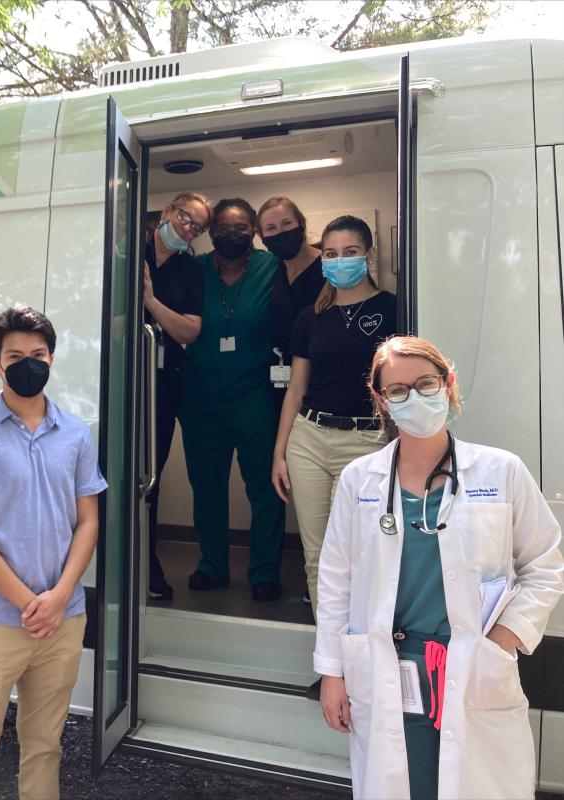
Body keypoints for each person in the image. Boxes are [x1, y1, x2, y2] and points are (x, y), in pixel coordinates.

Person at [315, 335, 564, 800]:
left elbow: (546, 563)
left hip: (472, 666)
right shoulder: (359, 480)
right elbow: (335, 580)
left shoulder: (500, 471)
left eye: (425, 383)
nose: (414, 397)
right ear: (381, 401)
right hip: (390, 669)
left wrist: (503, 638)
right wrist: (332, 673)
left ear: (448, 385)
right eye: (397, 390)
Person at [0, 305, 107, 800]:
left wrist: (57, 598)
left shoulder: (76, 433)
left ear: (51, 358)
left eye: (37, 354)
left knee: (45, 747)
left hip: (61, 620)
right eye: (15, 356)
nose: (28, 363)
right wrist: (28, 602)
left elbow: (89, 521)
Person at [272, 215, 396, 614]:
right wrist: (280, 453)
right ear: (321, 259)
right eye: (330, 254)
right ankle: (331, 665)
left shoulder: (394, 309)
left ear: (368, 255)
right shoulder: (310, 317)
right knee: (317, 556)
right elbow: (296, 390)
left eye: (350, 252)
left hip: (366, 443)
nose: (340, 261)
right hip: (308, 440)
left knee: (361, 556)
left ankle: (362, 659)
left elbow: (399, 386)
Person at [181, 197, 286, 601]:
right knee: (206, 485)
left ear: (254, 232)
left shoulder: (270, 268)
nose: (231, 235)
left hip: (254, 395)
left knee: (264, 487)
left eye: (241, 228)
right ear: (210, 233)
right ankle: (212, 565)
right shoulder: (195, 269)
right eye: (223, 229)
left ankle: (264, 571)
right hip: (201, 398)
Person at [143, 192, 211, 602]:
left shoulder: (190, 268)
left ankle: (146, 563)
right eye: (185, 219)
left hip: (164, 385)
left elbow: (189, 331)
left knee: (150, 479)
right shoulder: (126, 247)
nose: (188, 230)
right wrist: (169, 318)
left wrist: (151, 302)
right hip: (120, 381)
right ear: (168, 211)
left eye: (197, 228)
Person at [258, 196, 324, 413]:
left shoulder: (328, 266)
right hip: (280, 378)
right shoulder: (271, 270)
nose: (281, 232)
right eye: (271, 228)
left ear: (301, 223)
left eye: (287, 223)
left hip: (321, 378)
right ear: (262, 237)